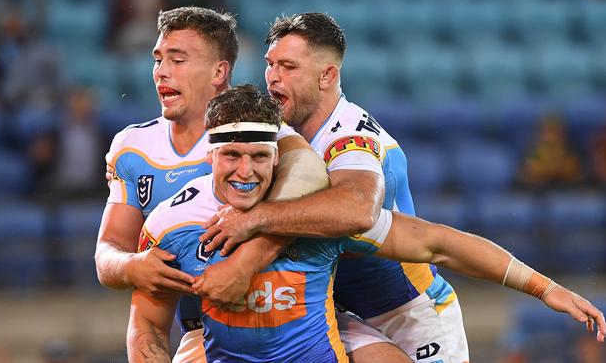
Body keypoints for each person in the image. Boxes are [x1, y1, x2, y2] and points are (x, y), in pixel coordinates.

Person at [129, 84, 605, 362]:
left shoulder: (317, 217)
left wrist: (546, 289)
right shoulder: (171, 224)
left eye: (259, 156)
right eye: (231, 155)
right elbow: (147, 328)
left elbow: (438, 244)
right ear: (209, 153)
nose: (245, 171)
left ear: (278, 155)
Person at [95, 7, 407, 362]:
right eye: (158, 59)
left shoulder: (261, 132)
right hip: (207, 324)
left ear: (219, 71)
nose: (162, 72)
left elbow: (307, 171)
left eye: (177, 60)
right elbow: (108, 250)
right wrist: (130, 266)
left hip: (295, 308)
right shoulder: (131, 148)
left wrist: (244, 261)